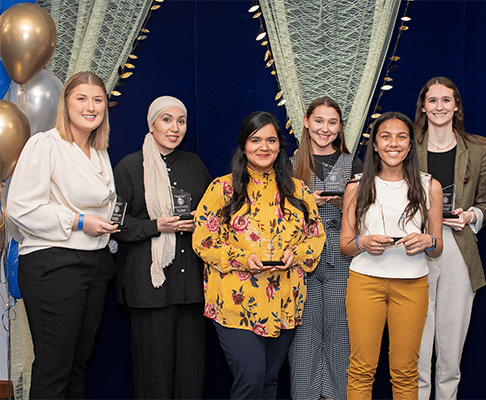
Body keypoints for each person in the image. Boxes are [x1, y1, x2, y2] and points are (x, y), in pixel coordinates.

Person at [192, 111, 325, 399]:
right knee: (251, 378)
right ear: (243, 145)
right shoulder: (222, 188)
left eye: (271, 140)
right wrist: (241, 259)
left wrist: (297, 253)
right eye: (256, 140)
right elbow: (202, 240)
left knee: (268, 380)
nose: (264, 147)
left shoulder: (298, 190)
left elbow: (316, 237)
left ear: (279, 147)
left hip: (284, 299)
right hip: (235, 301)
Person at [6, 71, 118, 399]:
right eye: (81, 98)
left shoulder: (99, 152)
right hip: (53, 265)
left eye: (97, 100)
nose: (90, 106)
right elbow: (20, 208)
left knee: (78, 364)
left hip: (94, 264)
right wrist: (80, 222)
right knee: (54, 368)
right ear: (65, 103)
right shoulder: (46, 144)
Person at [112, 96, 212, 399]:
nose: (175, 128)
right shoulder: (130, 167)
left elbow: (213, 214)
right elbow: (116, 226)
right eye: (166, 120)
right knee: (154, 375)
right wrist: (156, 226)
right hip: (149, 288)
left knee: (191, 375)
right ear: (151, 123)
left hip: (191, 287)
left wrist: (202, 222)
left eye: (181, 121)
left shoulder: (194, 164)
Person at [340, 111, 443, 399]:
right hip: (365, 283)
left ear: (411, 145)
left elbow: (438, 247)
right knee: (361, 369)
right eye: (385, 136)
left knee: (406, 371)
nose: (393, 143)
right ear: (374, 144)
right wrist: (363, 242)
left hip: (412, 285)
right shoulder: (356, 187)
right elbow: (346, 244)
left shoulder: (429, 186)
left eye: (401, 137)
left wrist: (427, 240)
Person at [413, 77, 486, 399]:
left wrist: (471, 216)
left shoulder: (477, 148)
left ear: (456, 105)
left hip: (459, 250)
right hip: (415, 251)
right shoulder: (408, 145)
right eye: (432, 100)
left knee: (450, 350)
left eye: (446, 100)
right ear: (423, 106)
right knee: (416, 349)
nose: (439, 107)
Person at [287, 96, 362, 400]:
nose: (325, 128)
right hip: (301, 260)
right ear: (306, 121)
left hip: (340, 258)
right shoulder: (288, 164)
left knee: (340, 336)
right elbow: (274, 213)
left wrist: (345, 203)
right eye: (319, 121)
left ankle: (337, 395)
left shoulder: (352, 163)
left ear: (340, 127)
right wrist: (305, 204)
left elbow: (369, 212)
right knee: (303, 338)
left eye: (332, 122)